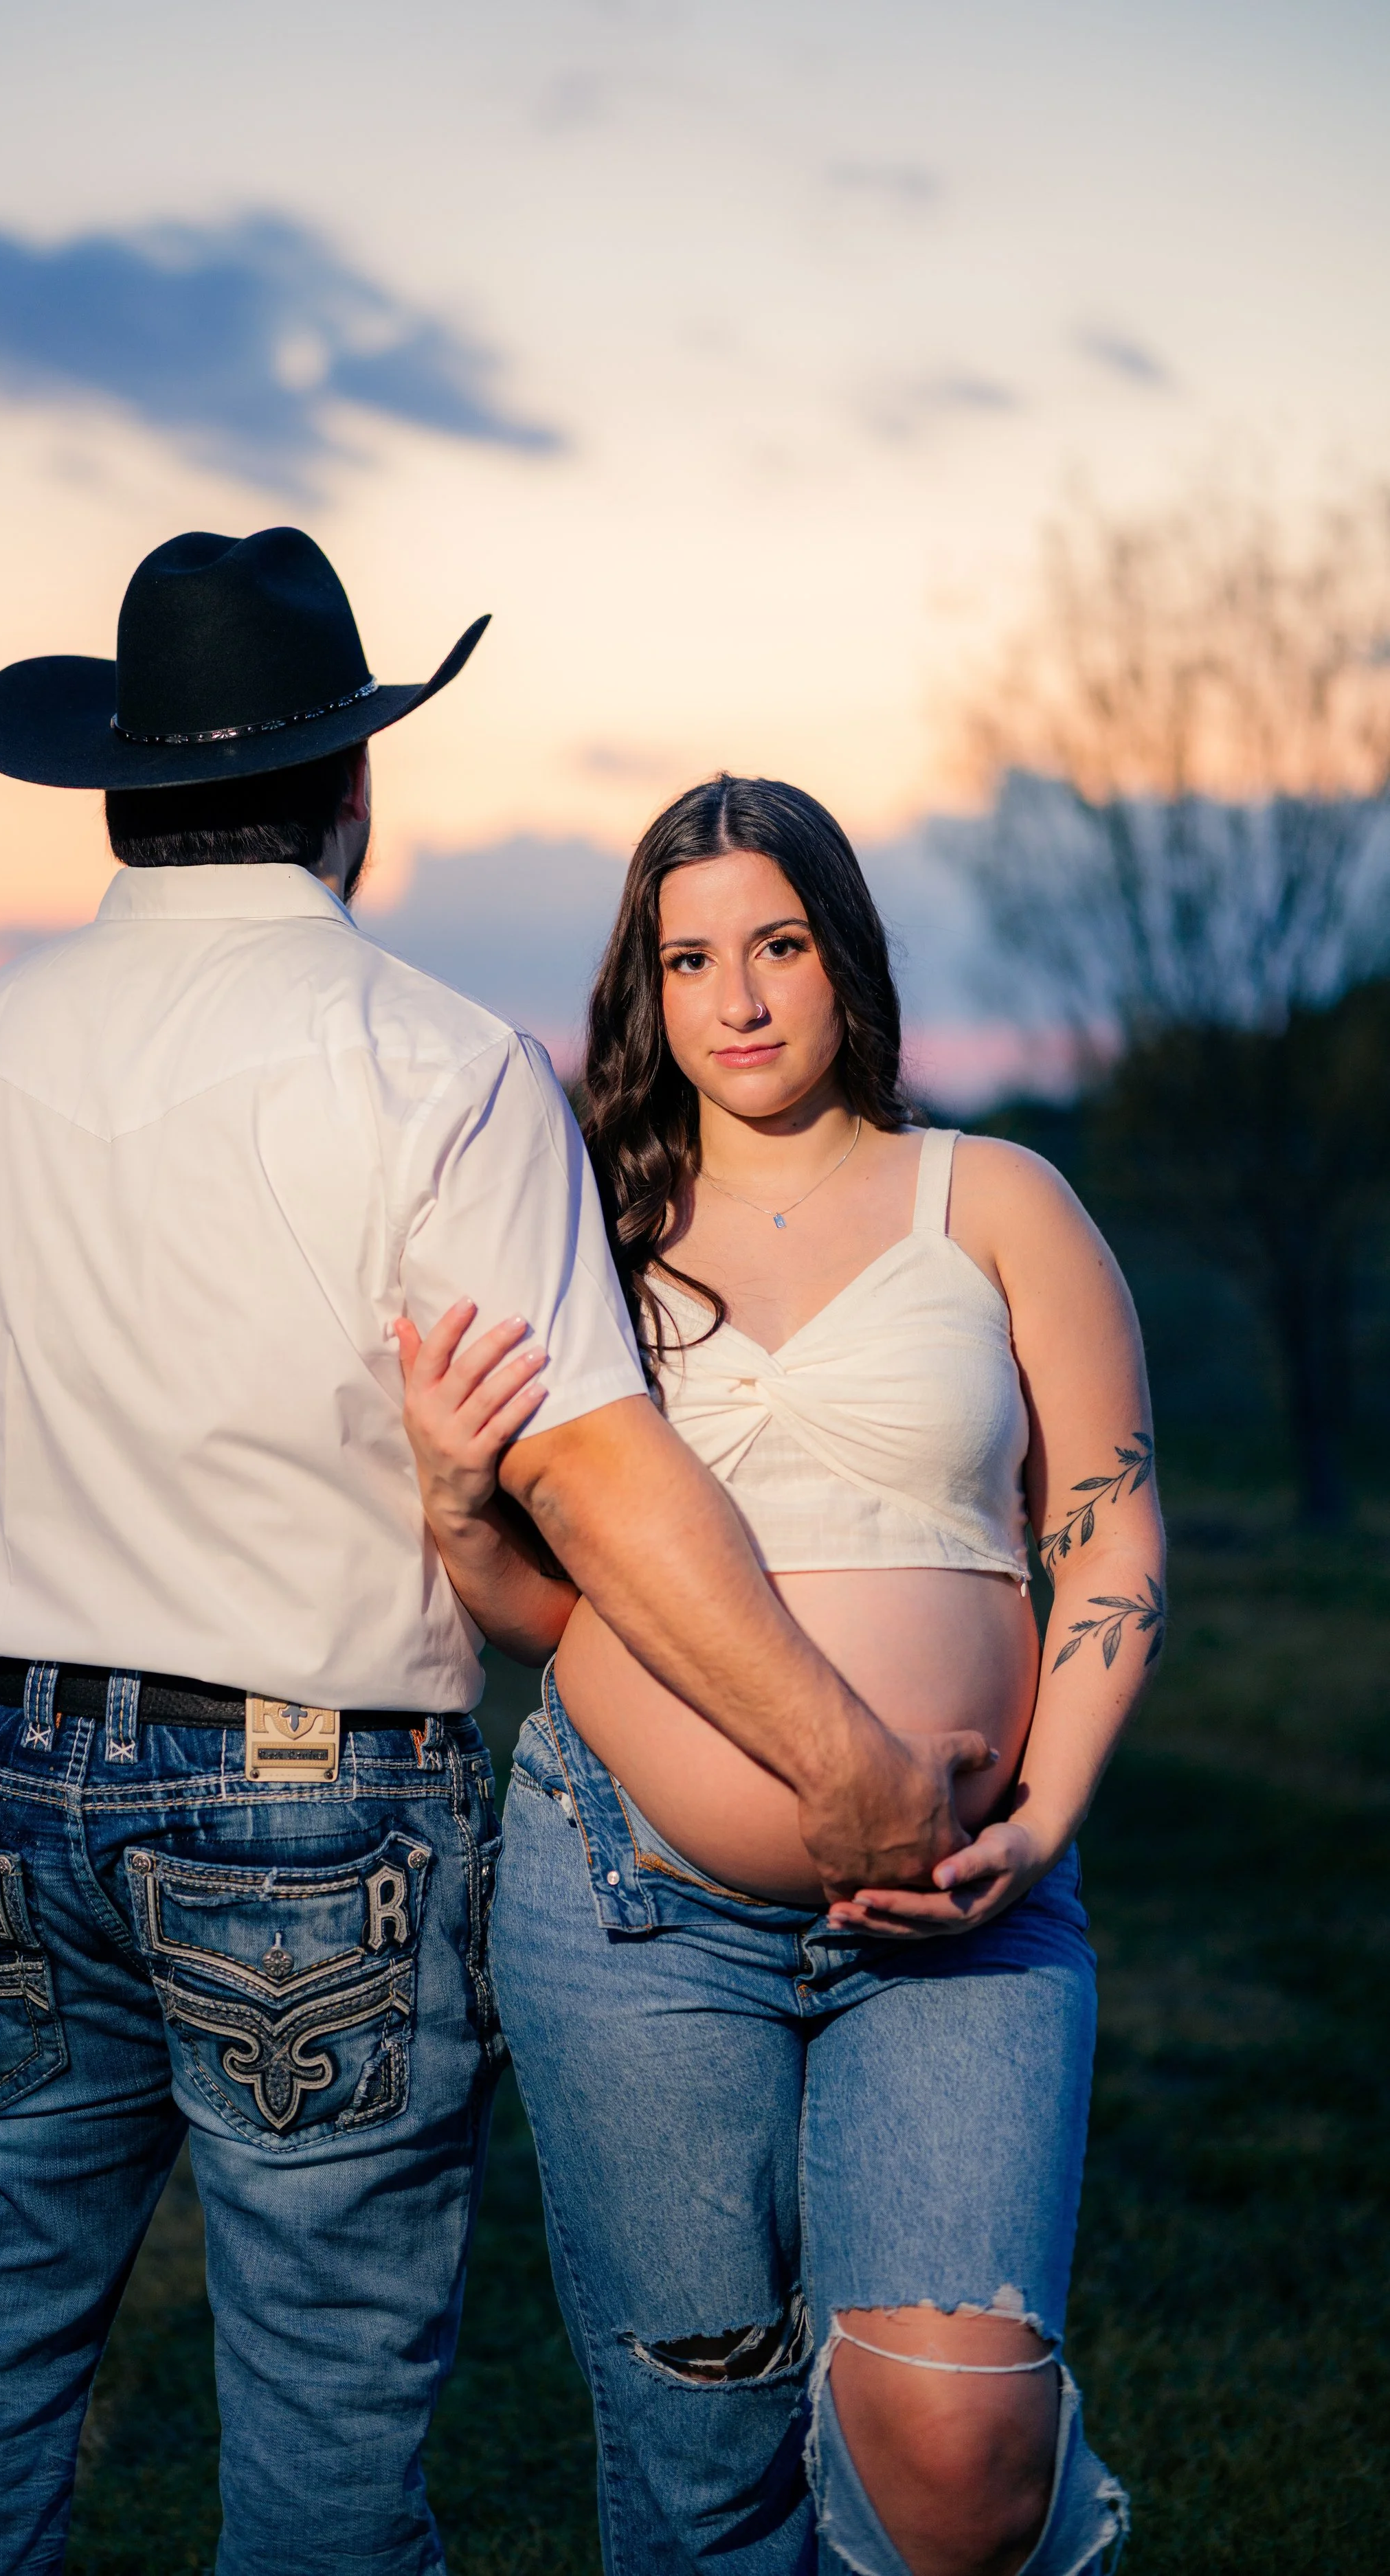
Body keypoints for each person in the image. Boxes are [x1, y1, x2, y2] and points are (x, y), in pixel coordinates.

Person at [0, 540, 982, 2575]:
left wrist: (13, 1640)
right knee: (328, 2400)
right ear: (355, 796)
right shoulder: (427, 1065)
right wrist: (844, 1762)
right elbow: (599, 1472)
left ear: (116, 796)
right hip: (308, 1797)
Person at [396, 775, 1160, 2576]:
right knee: (695, 2445)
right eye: (686, 958)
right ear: (643, 993)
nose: (735, 998)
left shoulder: (993, 1198)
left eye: (776, 945)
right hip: (628, 1903)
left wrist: (1042, 1818)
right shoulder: (583, 1230)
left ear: (845, 960)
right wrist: (447, 1488)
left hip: (963, 1894)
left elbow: (1107, 1536)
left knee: (955, 2439)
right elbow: (539, 1607)